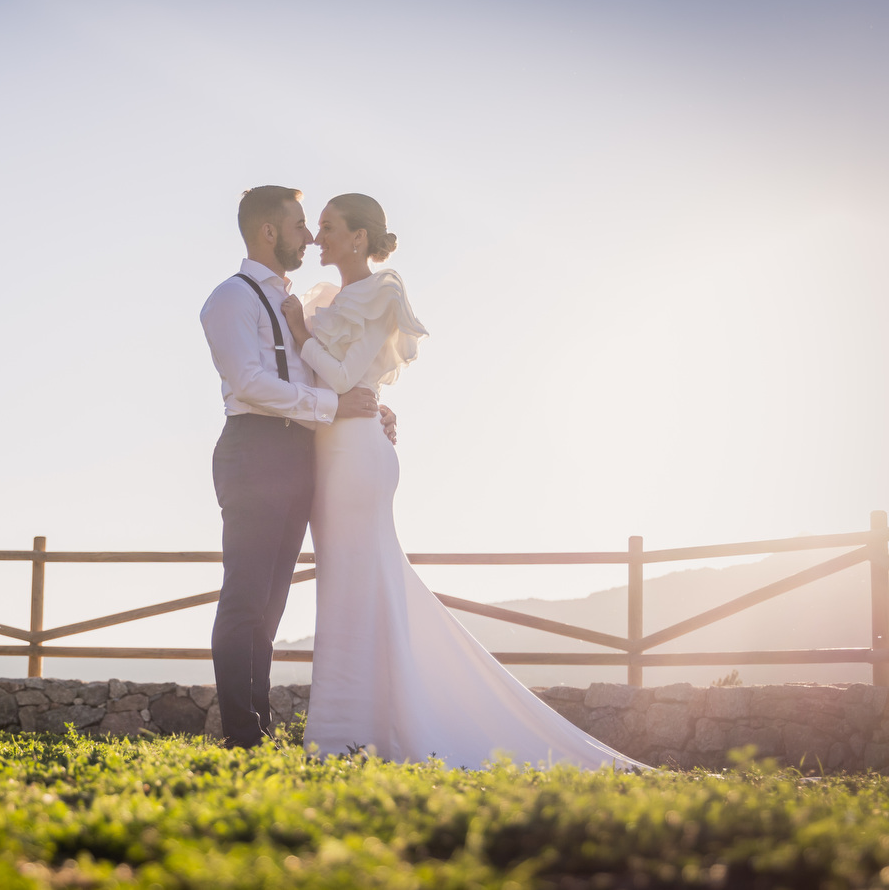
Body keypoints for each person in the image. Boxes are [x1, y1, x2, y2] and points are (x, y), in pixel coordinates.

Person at [278, 192, 642, 769]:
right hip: (332, 454)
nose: (318, 237)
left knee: (356, 584)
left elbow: (346, 376)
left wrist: (302, 335)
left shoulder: (380, 293)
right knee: (349, 588)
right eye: (316, 226)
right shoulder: (332, 300)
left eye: (328, 227)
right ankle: (355, 731)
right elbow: (336, 385)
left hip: (356, 460)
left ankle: (348, 737)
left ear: (359, 239)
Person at [200, 186, 397, 749]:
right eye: (299, 226)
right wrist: (334, 407)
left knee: (271, 602)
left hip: (296, 454)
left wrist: (367, 407)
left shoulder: (296, 306)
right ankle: (243, 737)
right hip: (254, 449)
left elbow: (319, 377)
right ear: (269, 232)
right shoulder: (229, 300)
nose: (310, 236)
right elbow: (251, 384)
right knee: (245, 596)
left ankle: (256, 729)